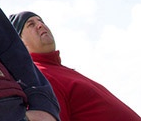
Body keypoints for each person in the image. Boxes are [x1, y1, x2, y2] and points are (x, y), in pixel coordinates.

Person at [9, 11, 140, 121]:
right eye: (31, 24)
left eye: (41, 21)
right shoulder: (41, 77)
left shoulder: (60, 71)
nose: (40, 25)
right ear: (20, 42)